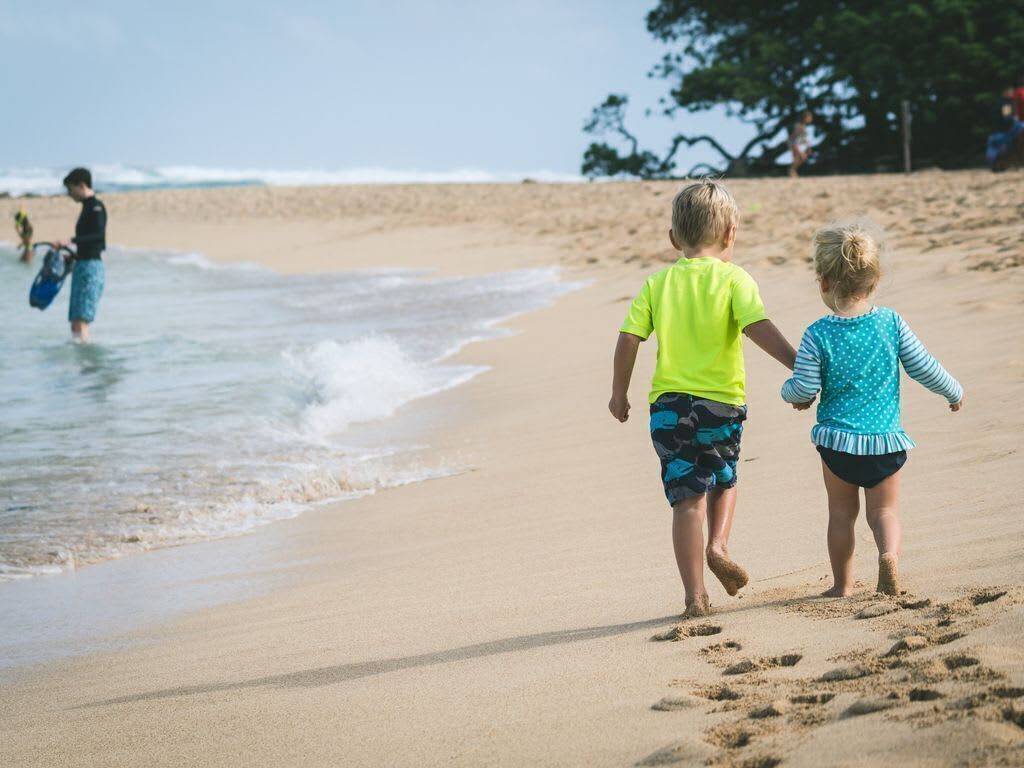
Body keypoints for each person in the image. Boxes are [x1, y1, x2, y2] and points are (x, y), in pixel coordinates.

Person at [609, 180, 798, 618]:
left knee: (685, 500)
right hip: (721, 405)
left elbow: (628, 338)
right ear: (731, 233)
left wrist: (619, 393)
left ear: (674, 240)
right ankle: (718, 545)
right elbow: (757, 327)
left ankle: (695, 597)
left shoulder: (657, 284)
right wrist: (797, 364)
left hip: (669, 409)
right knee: (725, 477)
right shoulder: (735, 278)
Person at [780, 221, 963, 598]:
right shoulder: (892, 324)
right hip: (885, 441)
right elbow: (923, 367)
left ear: (825, 282)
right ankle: (889, 558)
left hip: (838, 443)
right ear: (874, 281)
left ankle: (842, 585)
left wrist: (790, 394)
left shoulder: (818, 333)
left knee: (841, 515)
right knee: (885, 513)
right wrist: (953, 391)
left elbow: (803, 387)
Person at [54, 167, 106, 342]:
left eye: (70, 189)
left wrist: (70, 240)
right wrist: (75, 256)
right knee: (75, 322)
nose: (69, 194)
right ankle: (81, 365)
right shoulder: (86, 207)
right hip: (82, 264)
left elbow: (99, 237)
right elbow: (89, 242)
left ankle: (88, 366)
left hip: (91, 268)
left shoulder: (96, 207)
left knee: (81, 321)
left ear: (81, 185)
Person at [788, 111, 814, 178]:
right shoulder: (799, 126)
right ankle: (792, 171)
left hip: (796, 144)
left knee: (798, 159)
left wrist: (808, 146)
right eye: (809, 117)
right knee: (802, 157)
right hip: (794, 144)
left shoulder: (803, 126)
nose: (811, 119)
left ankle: (792, 172)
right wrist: (793, 146)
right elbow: (793, 136)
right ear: (805, 118)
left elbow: (803, 138)